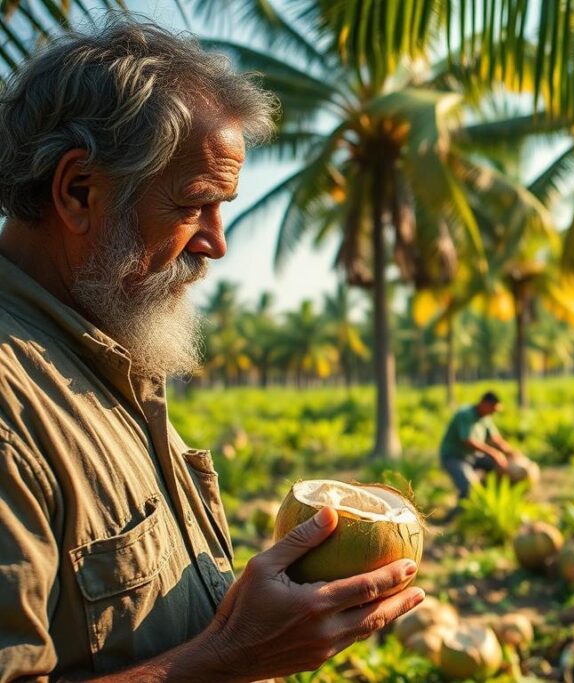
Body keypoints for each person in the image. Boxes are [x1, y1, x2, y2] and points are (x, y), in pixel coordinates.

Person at [0, 21, 423, 681]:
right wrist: (231, 656)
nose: (216, 243)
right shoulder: (12, 399)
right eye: (196, 205)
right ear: (79, 190)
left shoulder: (107, 354)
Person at [438, 391, 518, 519]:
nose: (493, 413)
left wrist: (511, 453)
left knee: (501, 467)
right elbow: (467, 441)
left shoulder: (485, 418)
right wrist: (494, 453)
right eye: (492, 410)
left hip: (473, 456)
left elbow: (495, 439)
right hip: (454, 457)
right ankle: (455, 518)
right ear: (484, 404)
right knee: (469, 488)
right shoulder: (465, 414)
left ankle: (488, 499)